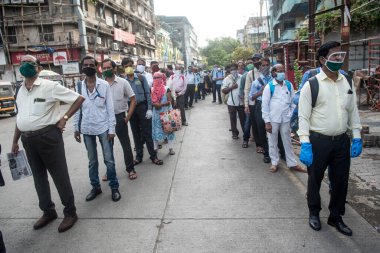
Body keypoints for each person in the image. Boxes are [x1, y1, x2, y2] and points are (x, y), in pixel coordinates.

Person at [11, 55, 84, 233]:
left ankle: (70, 213)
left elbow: (79, 99)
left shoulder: (49, 86)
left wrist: (64, 118)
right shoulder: (20, 90)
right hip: (27, 140)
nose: (26, 66)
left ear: (38, 68)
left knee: (59, 176)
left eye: (30, 63)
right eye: (22, 63)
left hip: (48, 137)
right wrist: (14, 141)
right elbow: (20, 117)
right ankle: (48, 211)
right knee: (38, 178)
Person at [298, 41, 362, 236]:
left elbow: (353, 112)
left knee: (340, 181)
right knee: (315, 180)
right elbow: (303, 116)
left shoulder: (347, 81)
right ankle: (314, 212)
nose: (339, 59)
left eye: (341, 55)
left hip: (342, 141)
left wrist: (357, 136)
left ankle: (336, 217)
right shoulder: (312, 84)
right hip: (318, 142)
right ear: (323, 59)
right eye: (335, 56)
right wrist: (305, 143)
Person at [73, 56, 121, 202]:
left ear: (96, 67)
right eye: (85, 64)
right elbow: (77, 108)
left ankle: (114, 187)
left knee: (109, 160)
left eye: (91, 64)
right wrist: (76, 127)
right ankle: (96, 187)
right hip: (87, 128)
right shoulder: (79, 86)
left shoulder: (104, 85)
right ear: (82, 67)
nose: (88, 66)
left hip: (103, 127)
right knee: (92, 161)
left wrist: (112, 129)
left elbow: (110, 108)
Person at [261, 63, 306, 173]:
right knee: (272, 141)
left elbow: (293, 102)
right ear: (273, 73)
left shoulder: (289, 85)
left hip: (285, 119)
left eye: (283, 70)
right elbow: (265, 105)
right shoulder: (269, 87)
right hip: (273, 120)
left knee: (287, 142)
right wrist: (267, 122)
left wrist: (290, 114)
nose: (282, 73)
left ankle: (292, 163)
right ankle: (274, 163)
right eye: (279, 71)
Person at [102, 59, 138, 181]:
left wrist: (127, 117)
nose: (106, 70)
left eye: (108, 68)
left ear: (115, 69)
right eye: (104, 68)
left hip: (120, 117)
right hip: (106, 120)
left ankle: (130, 169)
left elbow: (133, 100)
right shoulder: (101, 84)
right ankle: (109, 171)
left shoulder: (123, 82)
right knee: (107, 147)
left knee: (126, 145)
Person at [125, 66, 164, 165]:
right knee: (135, 133)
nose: (127, 68)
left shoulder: (141, 78)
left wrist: (149, 108)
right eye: (125, 66)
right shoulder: (123, 81)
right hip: (131, 108)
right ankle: (139, 156)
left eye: (129, 65)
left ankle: (153, 156)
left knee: (147, 132)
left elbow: (148, 93)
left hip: (142, 106)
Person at [249, 57, 272, 163]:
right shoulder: (256, 82)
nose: (265, 67)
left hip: (273, 106)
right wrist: (261, 92)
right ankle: (266, 153)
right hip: (260, 105)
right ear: (260, 67)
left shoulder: (274, 80)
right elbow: (251, 97)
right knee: (261, 129)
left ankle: (277, 151)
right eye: (263, 65)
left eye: (267, 65)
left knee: (274, 129)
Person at [151, 72, 176, 155]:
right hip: (156, 114)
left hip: (166, 113)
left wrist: (160, 104)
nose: (156, 80)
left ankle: (170, 148)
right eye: (155, 78)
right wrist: (159, 104)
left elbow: (169, 101)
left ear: (162, 79)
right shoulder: (151, 89)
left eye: (158, 78)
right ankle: (155, 148)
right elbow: (153, 103)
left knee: (169, 130)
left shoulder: (166, 88)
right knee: (156, 130)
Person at [221, 63, 245, 139]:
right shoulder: (226, 79)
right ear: (229, 71)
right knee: (232, 118)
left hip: (241, 102)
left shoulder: (242, 77)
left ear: (237, 69)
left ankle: (246, 133)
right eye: (231, 70)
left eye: (234, 69)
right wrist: (232, 87)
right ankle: (234, 133)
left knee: (243, 119)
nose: (233, 71)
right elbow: (224, 91)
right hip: (231, 102)